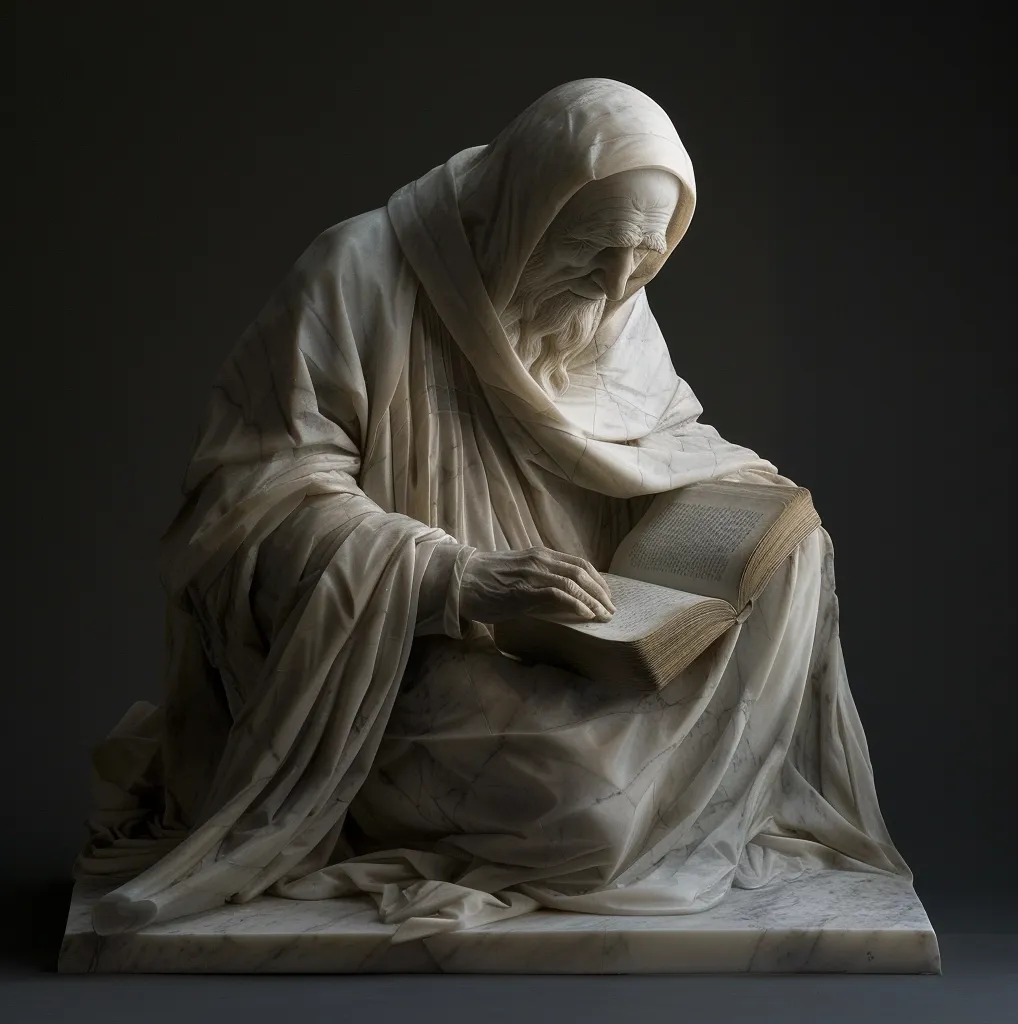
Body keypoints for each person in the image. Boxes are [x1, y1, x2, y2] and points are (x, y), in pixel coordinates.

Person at [77, 78, 909, 942]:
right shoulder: (357, 275)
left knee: (789, 559)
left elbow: (658, 436)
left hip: (585, 629)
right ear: (524, 207)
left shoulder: (607, 299)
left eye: (648, 257)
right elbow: (252, 504)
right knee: (594, 819)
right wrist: (458, 575)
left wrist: (747, 511)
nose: (618, 282)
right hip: (411, 646)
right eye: (593, 249)